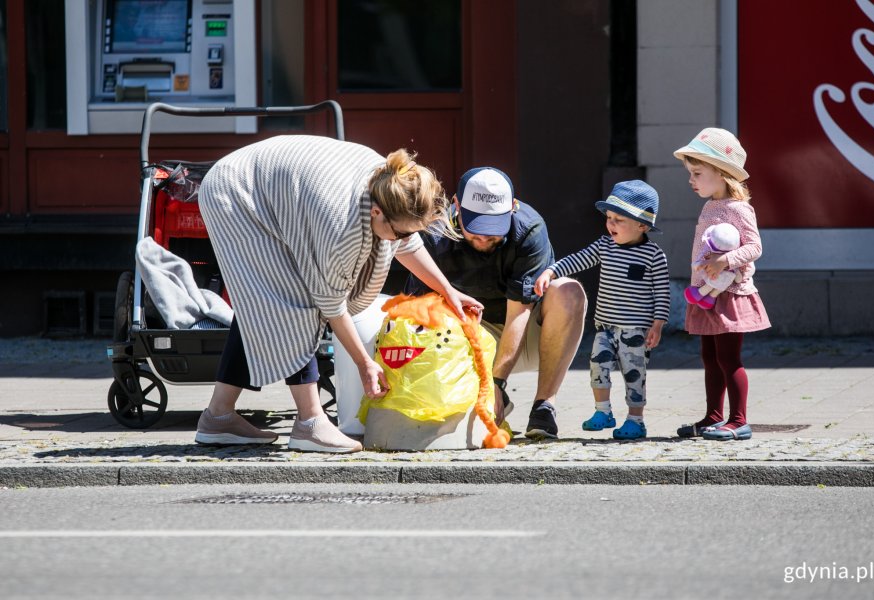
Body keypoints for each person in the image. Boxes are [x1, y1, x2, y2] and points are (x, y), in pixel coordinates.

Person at [194, 136, 482, 453]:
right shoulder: (340, 225)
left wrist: (448, 291)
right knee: (291, 301)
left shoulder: (391, 186)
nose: (402, 239)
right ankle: (310, 423)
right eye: (399, 232)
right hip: (237, 194)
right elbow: (329, 303)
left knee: (264, 302)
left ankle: (218, 416)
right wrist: (364, 363)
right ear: (375, 212)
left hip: (277, 187)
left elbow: (404, 241)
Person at [404, 167, 587, 440]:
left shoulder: (530, 229)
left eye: (492, 231)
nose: (483, 238)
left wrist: (497, 384)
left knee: (569, 291)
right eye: (475, 229)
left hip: (527, 334)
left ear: (512, 208)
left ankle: (544, 405)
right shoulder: (433, 230)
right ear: (456, 205)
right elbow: (416, 309)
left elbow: (519, 312)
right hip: (465, 338)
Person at [534, 181, 670, 440]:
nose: (610, 225)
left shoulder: (654, 255)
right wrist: (552, 271)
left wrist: (658, 323)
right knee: (598, 367)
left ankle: (636, 419)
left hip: (636, 329)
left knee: (634, 374)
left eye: (619, 219)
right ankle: (603, 411)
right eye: (609, 218)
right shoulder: (604, 246)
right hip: (605, 326)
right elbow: (578, 258)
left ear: (642, 225)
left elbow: (662, 292)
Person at [673, 128, 771, 441]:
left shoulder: (738, 208)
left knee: (729, 359)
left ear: (722, 173)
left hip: (728, 293)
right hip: (706, 295)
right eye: (691, 173)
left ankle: (738, 420)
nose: (692, 180)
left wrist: (725, 262)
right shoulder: (710, 206)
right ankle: (713, 417)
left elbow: (755, 247)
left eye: (698, 173)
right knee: (709, 358)